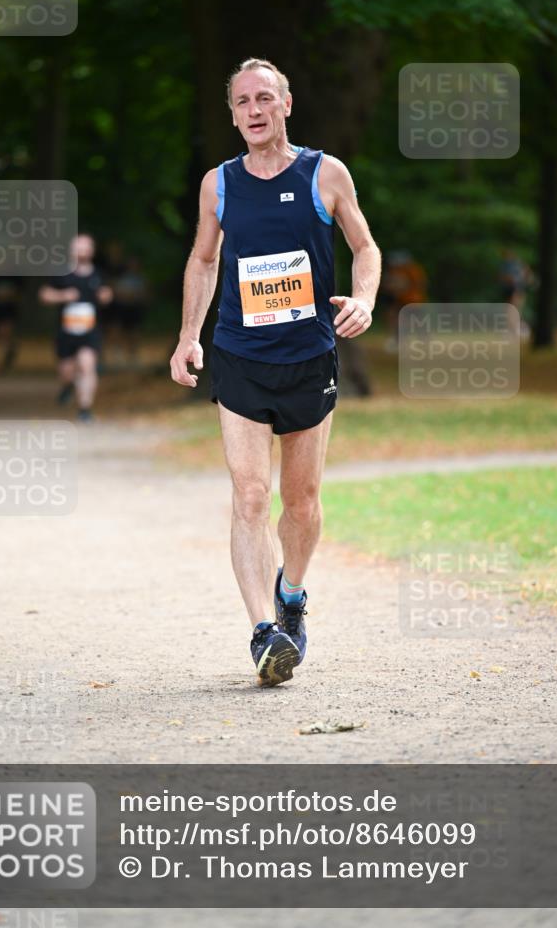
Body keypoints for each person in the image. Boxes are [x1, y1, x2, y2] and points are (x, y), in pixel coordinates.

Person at [170, 58, 381, 686]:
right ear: (232, 113)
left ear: (286, 104)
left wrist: (365, 299)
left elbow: (364, 247)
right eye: (242, 101)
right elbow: (204, 260)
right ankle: (265, 631)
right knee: (250, 495)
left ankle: (292, 593)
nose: (254, 110)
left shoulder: (326, 173)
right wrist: (188, 337)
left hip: (309, 357)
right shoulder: (220, 184)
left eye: (265, 98)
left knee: (303, 501)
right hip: (240, 357)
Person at [39, 234, 113, 422]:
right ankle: (68, 385)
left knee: (87, 366)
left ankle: (85, 409)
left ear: (92, 250)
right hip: (66, 332)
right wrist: (63, 296)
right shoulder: (61, 273)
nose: (82, 250)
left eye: (86, 246)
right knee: (67, 371)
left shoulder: (99, 273)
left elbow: (108, 293)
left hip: (90, 331)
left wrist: (105, 296)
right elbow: (44, 294)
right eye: (78, 246)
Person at [381, 249, 428, 352]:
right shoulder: (395, 271)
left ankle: (424, 341)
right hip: (400, 301)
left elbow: (414, 284)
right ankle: (398, 342)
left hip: (413, 301)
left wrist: (396, 287)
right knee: (397, 321)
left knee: (418, 322)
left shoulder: (412, 270)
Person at [0, 275, 23, 371]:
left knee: (6, 331)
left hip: (8, 308)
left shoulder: (14, 276)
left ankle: (9, 350)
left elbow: (18, 292)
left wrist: (7, 295)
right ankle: (9, 348)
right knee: (1, 333)